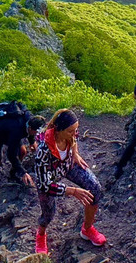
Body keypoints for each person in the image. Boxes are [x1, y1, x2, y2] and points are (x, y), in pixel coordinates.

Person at [32, 109, 106, 254]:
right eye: (71, 131)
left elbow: (75, 139)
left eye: (76, 130)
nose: (75, 133)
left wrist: (75, 153)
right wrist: (72, 191)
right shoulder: (43, 151)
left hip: (68, 165)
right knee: (48, 214)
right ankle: (41, 234)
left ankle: (87, 228)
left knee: (95, 187)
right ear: (58, 130)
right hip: (49, 177)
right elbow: (45, 185)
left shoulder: (70, 134)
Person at [0, 100, 37, 187]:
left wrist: (32, 141)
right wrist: (23, 172)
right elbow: (11, 155)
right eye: (35, 132)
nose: (36, 134)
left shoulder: (29, 118)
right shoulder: (16, 130)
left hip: (8, 133)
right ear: (30, 128)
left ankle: (13, 172)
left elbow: (31, 132)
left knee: (23, 152)